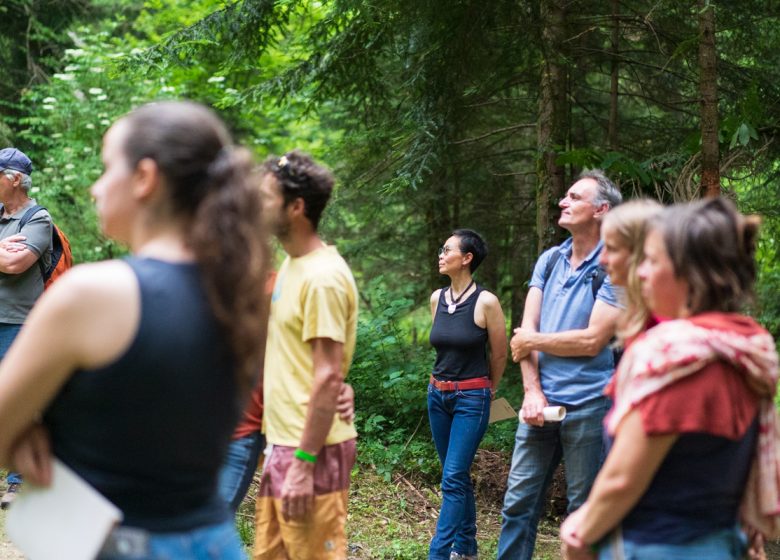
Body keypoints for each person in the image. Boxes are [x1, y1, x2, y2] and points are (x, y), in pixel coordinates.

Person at [0, 101, 269, 559]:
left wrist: (27, 431)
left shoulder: (93, 294)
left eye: (107, 169)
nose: (95, 187)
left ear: (144, 178)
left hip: (115, 546)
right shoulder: (241, 295)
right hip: (211, 542)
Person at [560, 197, 780, 560]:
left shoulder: (678, 360)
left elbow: (621, 480)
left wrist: (579, 533)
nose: (640, 273)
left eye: (650, 260)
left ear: (686, 272)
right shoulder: (741, 349)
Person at [498, 169, 623, 560]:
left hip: (589, 405)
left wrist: (531, 340)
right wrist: (532, 392)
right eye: (564, 196)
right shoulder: (549, 260)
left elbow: (591, 341)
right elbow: (525, 333)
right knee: (517, 505)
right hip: (540, 407)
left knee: (583, 513)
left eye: (574, 197)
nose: (562, 202)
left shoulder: (615, 267)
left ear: (601, 210)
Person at [254, 150, 358, 560]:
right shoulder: (293, 264)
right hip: (283, 443)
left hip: (310, 450)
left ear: (296, 207)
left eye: (265, 198)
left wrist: (303, 461)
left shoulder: (322, 278)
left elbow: (328, 375)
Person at [427, 229, 507, 560]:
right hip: (437, 396)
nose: (441, 255)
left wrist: (489, 390)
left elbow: (500, 355)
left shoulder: (486, 301)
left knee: (453, 478)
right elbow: (442, 348)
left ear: (467, 258)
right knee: (455, 477)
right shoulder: (436, 299)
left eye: (448, 250)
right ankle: (467, 547)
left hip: (471, 400)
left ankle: (439, 553)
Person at [0, 147, 53, 507]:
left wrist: (7, 254)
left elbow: (17, 264)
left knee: (18, 400)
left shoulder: (38, 218)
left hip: (19, 322)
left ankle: (17, 482)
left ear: (14, 179)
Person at [598, 199, 662, 344]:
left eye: (612, 249)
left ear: (642, 254)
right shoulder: (638, 313)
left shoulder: (664, 327)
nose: (602, 259)